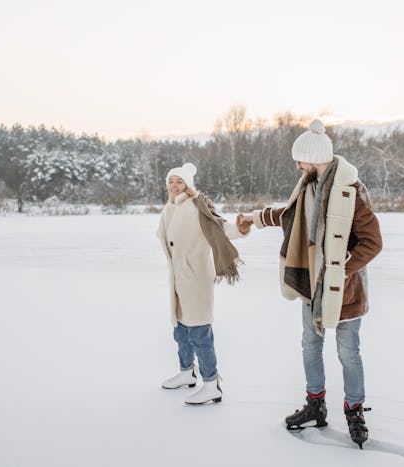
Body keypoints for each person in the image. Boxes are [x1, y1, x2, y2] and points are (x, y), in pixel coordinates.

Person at [238, 120, 382, 448]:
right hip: (309, 284)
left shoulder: (351, 191)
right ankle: (316, 405)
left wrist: (340, 270)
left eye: (300, 160)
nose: (297, 166)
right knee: (310, 346)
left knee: (348, 352)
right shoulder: (306, 185)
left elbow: (372, 242)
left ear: (315, 158)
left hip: (345, 291)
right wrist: (255, 218)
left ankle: (354, 410)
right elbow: (289, 215)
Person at [157, 162, 251, 405]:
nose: (174, 185)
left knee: (199, 331)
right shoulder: (168, 209)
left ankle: (211, 384)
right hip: (177, 280)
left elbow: (221, 228)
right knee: (181, 330)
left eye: (179, 181)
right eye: (170, 181)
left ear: (188, 185)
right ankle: (187, 373)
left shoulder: (197, 206)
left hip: (196, 278)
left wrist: (239, 229)